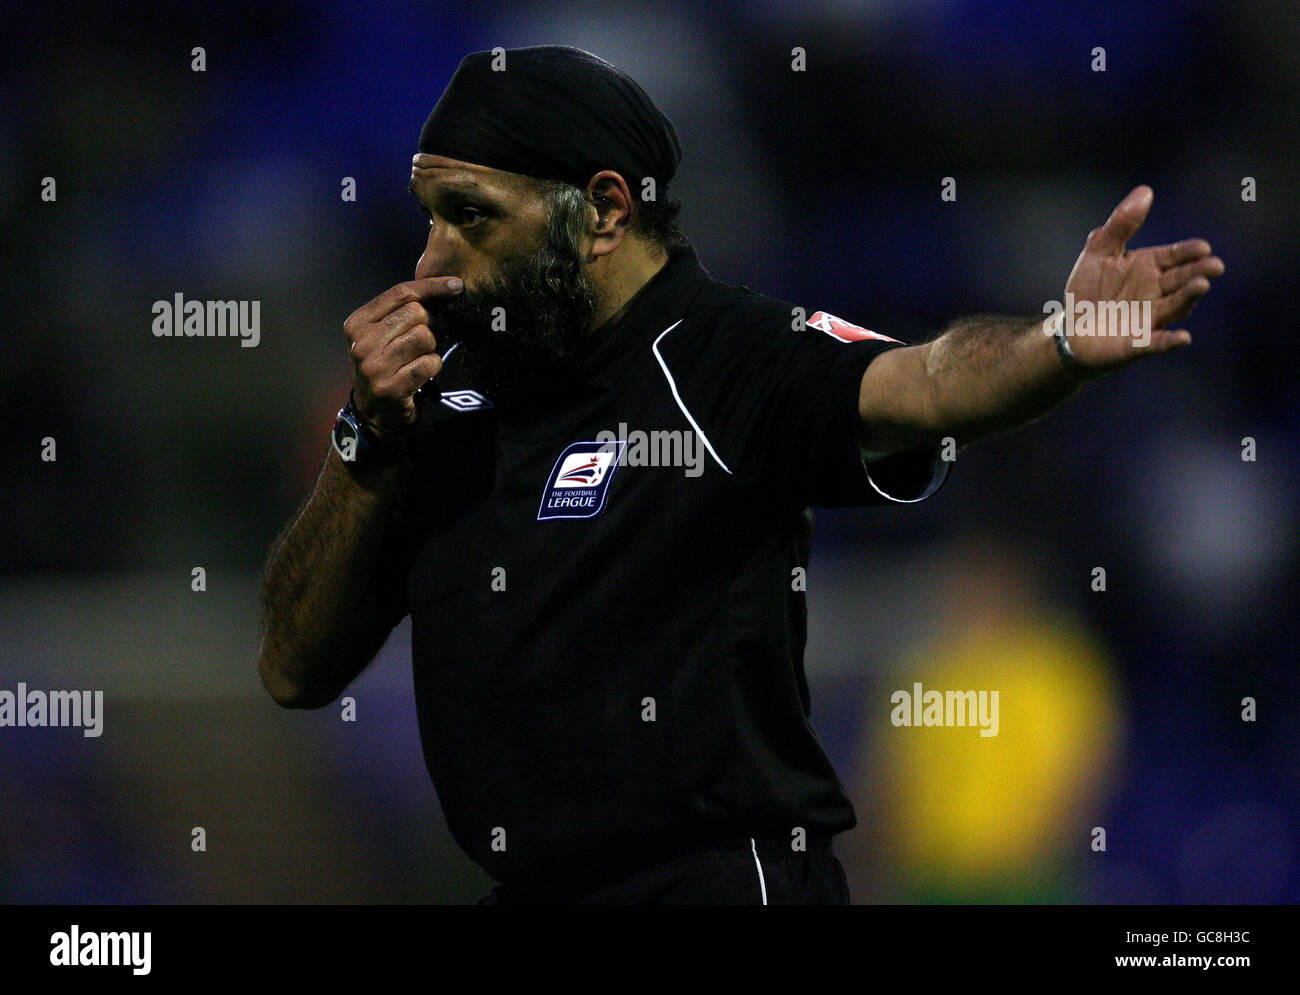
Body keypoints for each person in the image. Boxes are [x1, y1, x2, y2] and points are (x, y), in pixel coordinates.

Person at [257, 46, 1224, 904]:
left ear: (602, 210)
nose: (433, 256)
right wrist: (365, 443)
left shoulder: (729, 357)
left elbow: (925, 382)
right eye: (430, 215)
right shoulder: (435, 403)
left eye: (471, 215)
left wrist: (1057, 341)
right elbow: (294, 666)